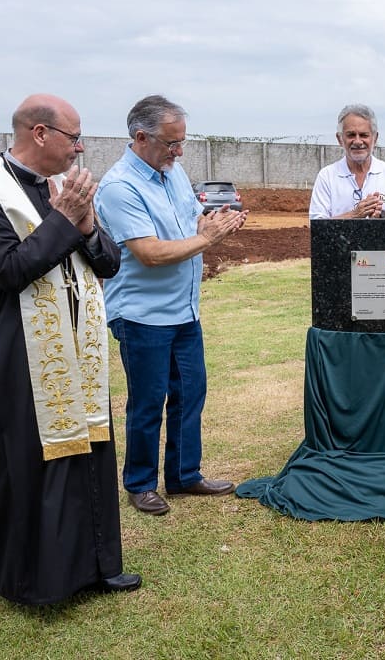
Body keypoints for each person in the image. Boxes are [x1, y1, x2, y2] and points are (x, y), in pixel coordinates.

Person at [0, 93, 140, 605]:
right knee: (31, 460)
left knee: (91, 451)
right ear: (39, 133)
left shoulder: (65, 189)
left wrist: (83, 225)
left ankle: (98, 566)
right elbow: (11, 271)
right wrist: (63, 219)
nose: (79, 149)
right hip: (21, 352)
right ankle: (40, 579)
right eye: (73, 138)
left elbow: (107, 265)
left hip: (77, 347)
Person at [95, 95, 248, 516]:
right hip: (142, 315)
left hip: (184, 311)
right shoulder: (119, 188)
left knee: (190, 393)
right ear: (141, 137)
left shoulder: (172, 173)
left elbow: (190, 220)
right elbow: (149, 252)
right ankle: (141, 483)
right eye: (171, 143)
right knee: (148, 401)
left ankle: (184, 474)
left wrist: (214, 223)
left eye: (182, 142)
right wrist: (208, 239)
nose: (179, 151)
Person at [309, 104, 385, 219]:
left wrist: (381, 215)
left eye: (364, 135)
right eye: (351, 135)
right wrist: (354, 215)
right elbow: (317, 226)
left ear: (375, 138)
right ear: (340, 139)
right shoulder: (327, 176)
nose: (358, 141)